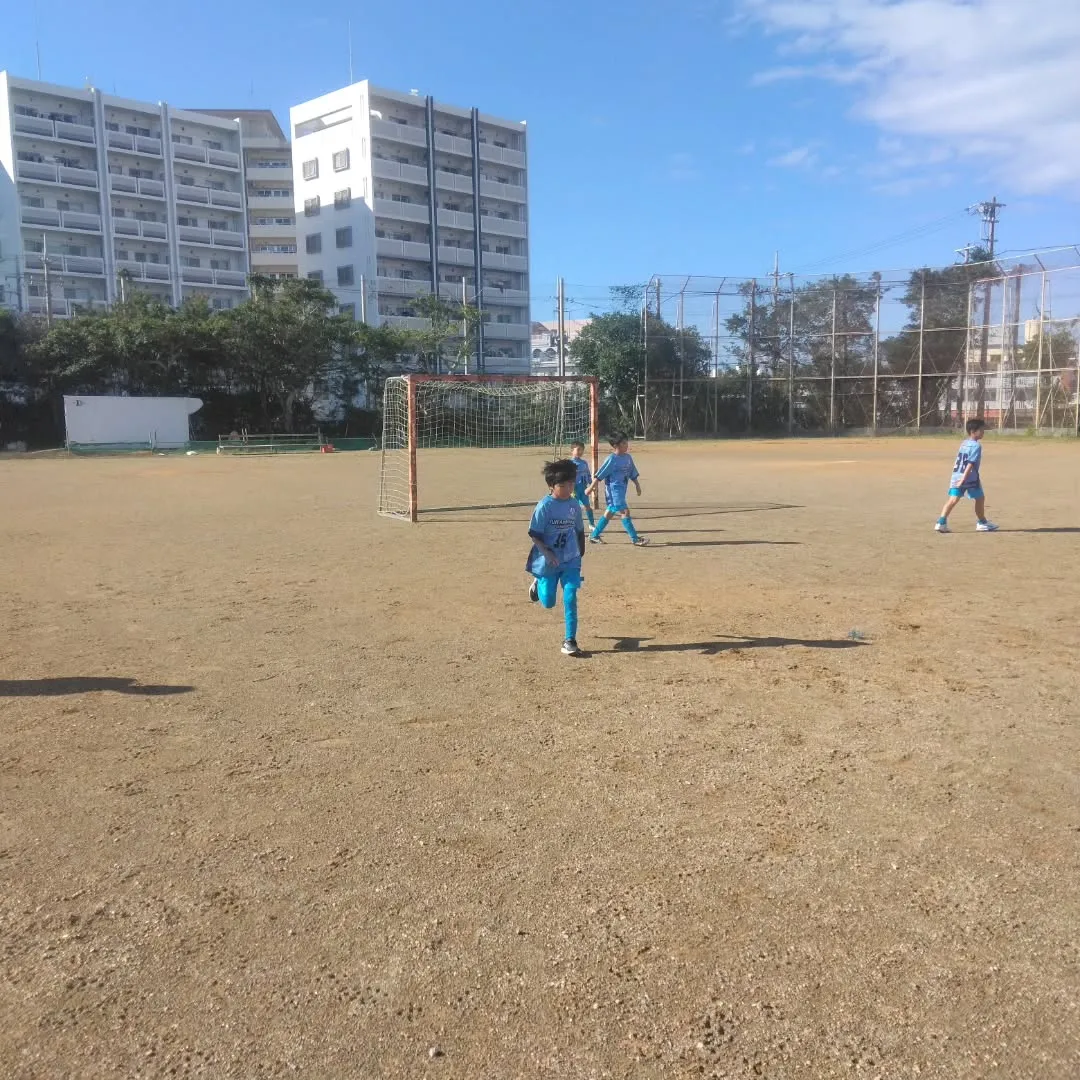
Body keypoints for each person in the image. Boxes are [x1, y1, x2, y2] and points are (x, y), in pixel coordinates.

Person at [526, 459, 586, 657]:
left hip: (570, 559)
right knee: (549, 602)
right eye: (563, 485)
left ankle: (570, 640)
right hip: (549, 561)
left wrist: (580, 550)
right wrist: (547, 553)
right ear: (552, 486)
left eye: (571, 484)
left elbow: (579, 530)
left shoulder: (574, 505)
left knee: (570, 595)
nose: (568, 489)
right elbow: (535, 534)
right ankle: (539, 582)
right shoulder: (545, 506)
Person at [935, 418, 999, 533]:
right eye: (981, 430)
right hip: (970, 478)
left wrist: (959, 479)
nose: (983, 432)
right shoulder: (976, 446)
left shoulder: (964, 443)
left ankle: (941, 522)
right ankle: (982, 522)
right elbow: (970, 464)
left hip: (956, 475)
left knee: (953, 499)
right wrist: (963, 479)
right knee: (980, 498)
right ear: (973, 431)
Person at [585, 433, 649, 546]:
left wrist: (637, 485)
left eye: (626, 442)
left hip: (621, 490)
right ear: (615, 445)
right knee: (625, 511)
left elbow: (632, 472)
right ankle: (635, 539)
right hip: (613, 491)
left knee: (609, 513)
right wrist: (590, 488)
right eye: (623, 443)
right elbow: (599, 475)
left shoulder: (628, 458)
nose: (626, 445)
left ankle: (594, 535)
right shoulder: (611, 459)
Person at [568, 441, 596, 530]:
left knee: (588, 507)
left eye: (582, 450)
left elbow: (588, 474)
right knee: (574, 508)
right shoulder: (569, 464)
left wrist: (591, 485)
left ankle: (591, 524)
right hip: (574, 489)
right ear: (572, 450)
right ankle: (572, 525)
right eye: (578, 450)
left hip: (583, 489)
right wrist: (570, 488)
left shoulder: (584, 463)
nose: (580, 452)